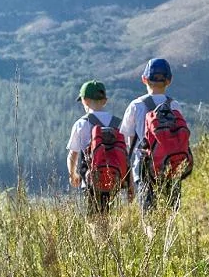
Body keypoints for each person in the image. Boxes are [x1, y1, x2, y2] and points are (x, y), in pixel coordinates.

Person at [120, 58, 191, 213]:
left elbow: (129, 143)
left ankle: (152, 237)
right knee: (171, 213)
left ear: (144, 79)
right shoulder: (175, 105)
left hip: (144, 168)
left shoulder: (135, 106)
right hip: (171, 166)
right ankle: (169, 237)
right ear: (169, 81)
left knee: (149, 217)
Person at [66, 80, 128, 214]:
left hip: (90, 179)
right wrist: (129, 183)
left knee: (93, 219)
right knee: (108, 214)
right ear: (105, 101)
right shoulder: (118, 123)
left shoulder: (81, 124)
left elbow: (73, 154)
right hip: (114, 178)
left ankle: (98, 235)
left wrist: (73, 174)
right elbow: (124, 152)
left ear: (85, 101)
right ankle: (107, 234)